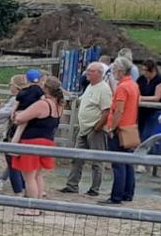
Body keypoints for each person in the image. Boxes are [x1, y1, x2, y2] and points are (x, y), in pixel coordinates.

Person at [9, 71, 62, 207]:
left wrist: (16, 115)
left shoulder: (43, 104)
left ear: (45, 88)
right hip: (48, 141)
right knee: (38, 175)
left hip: (32, 141)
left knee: (29, 177)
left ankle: (31, 207)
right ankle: (38, 206)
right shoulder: (58, 105)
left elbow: (20, 118)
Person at [61, 60, 111, 198]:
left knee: (97, 160)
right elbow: (81, 100)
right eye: (87, 70)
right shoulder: (90, 86)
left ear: (99, 73)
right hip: (84, 128)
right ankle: (72, 185)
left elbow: (107, 111)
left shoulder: (104, 89)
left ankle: (94, 189)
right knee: (76, 158)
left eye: (91, 71)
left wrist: (98, 127)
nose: (87, 73)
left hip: (94, 129)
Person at [103, 56, 142, 205]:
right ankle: (128, 193)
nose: (112, 72)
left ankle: (116, 195)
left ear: (119, 71)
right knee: (128, 163)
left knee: (118, 164)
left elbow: (119, 110)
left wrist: (112, 127)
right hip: (130, 127)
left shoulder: (122, 87)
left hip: (120, 129)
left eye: (113, 70)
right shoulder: (133, 85)